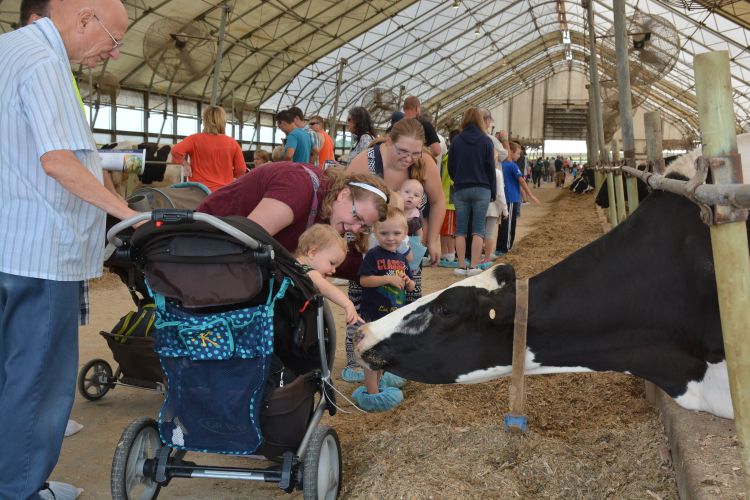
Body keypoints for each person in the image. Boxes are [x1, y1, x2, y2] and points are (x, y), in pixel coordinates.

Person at [0, 1, 137, 498]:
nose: (114, 52)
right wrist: (130, 216)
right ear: (84, 19)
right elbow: (59, 162)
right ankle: (19, 488)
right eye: (114, 39)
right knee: (36, 383)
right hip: (39, 251)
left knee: (8, 376)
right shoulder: (47, 62)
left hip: (5, 241)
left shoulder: (8, 50)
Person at [343, 118, 445, 382]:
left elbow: (437, 200)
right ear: (389, 142)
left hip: (406, 247)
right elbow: (344, 198)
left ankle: (401, 359)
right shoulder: (366, 162)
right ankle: (359, 359)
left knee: (407, 299)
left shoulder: (425, 163)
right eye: (403, 151)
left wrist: (433, 238)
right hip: (368, 247)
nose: (409, 158)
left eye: (415, 152)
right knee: (362, 300)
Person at [197, 161, 389, 253]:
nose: (355, 229)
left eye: (363, 227)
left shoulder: (330, 210)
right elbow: (247, 238)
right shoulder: (297, 188)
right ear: (344, 194)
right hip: (206, 243)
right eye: (357, 217)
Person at [352, 207, 414, 412]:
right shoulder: (372, 255)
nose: (390, 238)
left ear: (405, 234)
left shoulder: (402, 259)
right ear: (375, 233)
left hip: (392, 316)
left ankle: (377, 386)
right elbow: (364, 280)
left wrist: (407, 282)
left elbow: (411, 285)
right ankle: (372, 395)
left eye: (396, 233)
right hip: (374, 316)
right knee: (372, 355)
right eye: (384, 233)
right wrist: (387, 278)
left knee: (383, 355)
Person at [447, 108, 496, 277]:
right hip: (482, 188)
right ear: (481, 121)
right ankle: (474, 266)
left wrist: (458, 179)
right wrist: (493, 191)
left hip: (461, 188)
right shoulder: (486, 141)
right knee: (478, 229)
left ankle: (461, 266)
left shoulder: (457, 141)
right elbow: (490, 168)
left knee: (460, 229)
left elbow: (450, 166)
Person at [294, 224, 363, 325]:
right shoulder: (307, 271)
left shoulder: (292, 264)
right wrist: (347, 304)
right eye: (332, 263)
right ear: (312, 253)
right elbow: (325, 288)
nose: (334, 270)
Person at [169, 106, 246, 192]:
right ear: (223, 122)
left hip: (199, 192)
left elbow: (175, 151)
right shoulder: (233, 143)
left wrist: (185, 164)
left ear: (205, 121)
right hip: (224, 192)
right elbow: (241, 169)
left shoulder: (194, 139)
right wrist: (231, 177)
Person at [498, 142, 540, 255]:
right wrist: (531, 195)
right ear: (510, 152)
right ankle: (506, 248)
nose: (519, 156)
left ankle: (499, 247)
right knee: (509, 224)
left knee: (502, 224)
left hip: (503, 198)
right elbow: (521, 181)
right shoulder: (512, 165)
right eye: (517, 153)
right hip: (511, 198)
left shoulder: (500, 164)